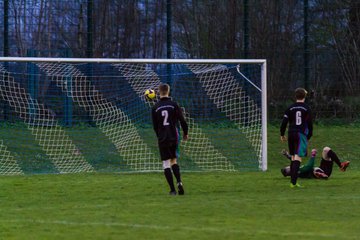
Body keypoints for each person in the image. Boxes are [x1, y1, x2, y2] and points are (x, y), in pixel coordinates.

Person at [151, 83, 189, 195]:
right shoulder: (174, 105)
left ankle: (172, 190)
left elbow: (155, 126)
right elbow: (182, 121)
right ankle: (179, 183)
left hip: (163, 138)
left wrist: (159, 137)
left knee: (166, 163)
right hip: (174, 136)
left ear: (158, 92)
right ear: (168, 91)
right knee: (174, 160)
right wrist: (185, 133)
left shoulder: (155, 108)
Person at [280, 88, 313, 188]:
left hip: (291, 133)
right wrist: (308, 136)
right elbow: (310, 124)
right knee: (298, 158)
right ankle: (293, 183)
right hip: (300, 134)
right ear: (305, 96)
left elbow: (284, 122)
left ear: (295, 96)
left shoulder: (290, 108)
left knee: (293, 157)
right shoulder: (307, 108)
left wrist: (282, 134)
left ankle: (292, 182)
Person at [281, 147, 350, 179]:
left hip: (322, 168)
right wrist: (313, 155)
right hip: (322, 170)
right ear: (289, 169)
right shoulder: (299, 171)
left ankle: (341, 165)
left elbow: (294, 161)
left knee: (326, 150)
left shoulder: (297, 170)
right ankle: (320, 174)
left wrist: (287, 155)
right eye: (287, 167)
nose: (289, 166)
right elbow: (309, 166)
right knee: (315, 170)